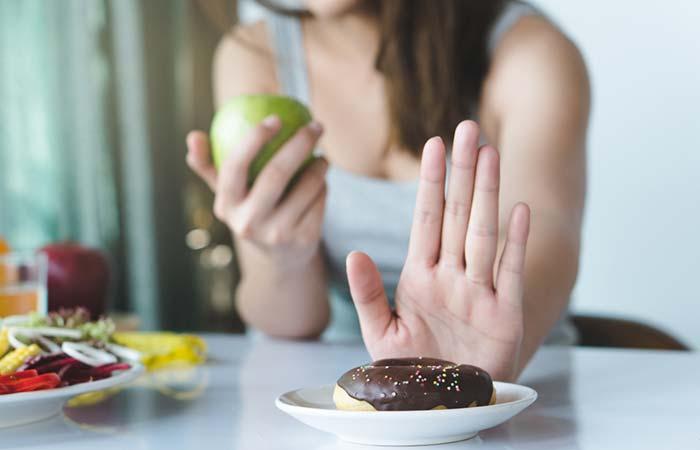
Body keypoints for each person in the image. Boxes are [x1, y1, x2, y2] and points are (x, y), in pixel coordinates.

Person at [186, 0, 589, 381]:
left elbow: (548, 235)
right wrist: (281, 256)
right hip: (336, 397)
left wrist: (478, 359)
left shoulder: (530, 52)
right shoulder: (254, 54)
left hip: (520, 386)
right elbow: (295, 325)